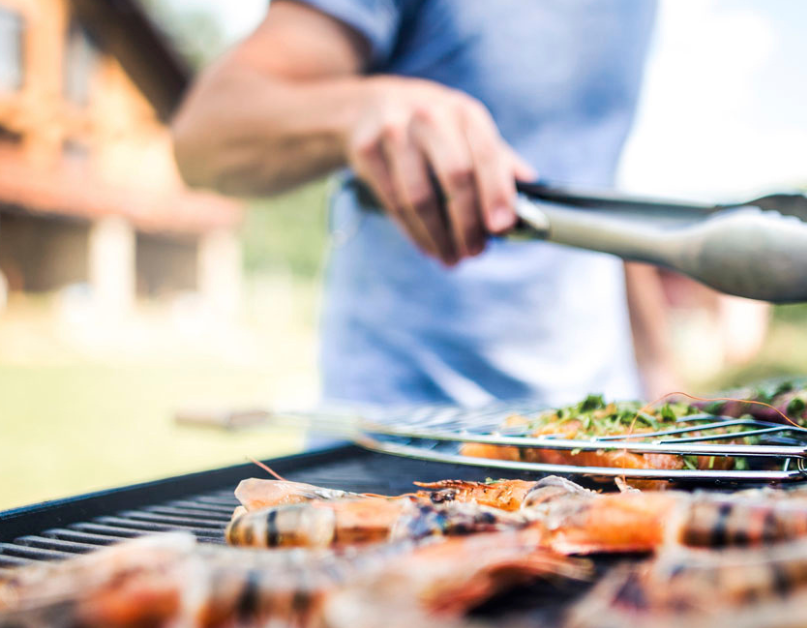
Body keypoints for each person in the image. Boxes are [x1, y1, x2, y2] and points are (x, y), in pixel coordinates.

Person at [172, 0, 683, 408]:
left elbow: (593, 176)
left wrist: (659, 372)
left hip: (590, 431)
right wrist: (363, 108)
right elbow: (204, 134)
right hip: (400, 442)